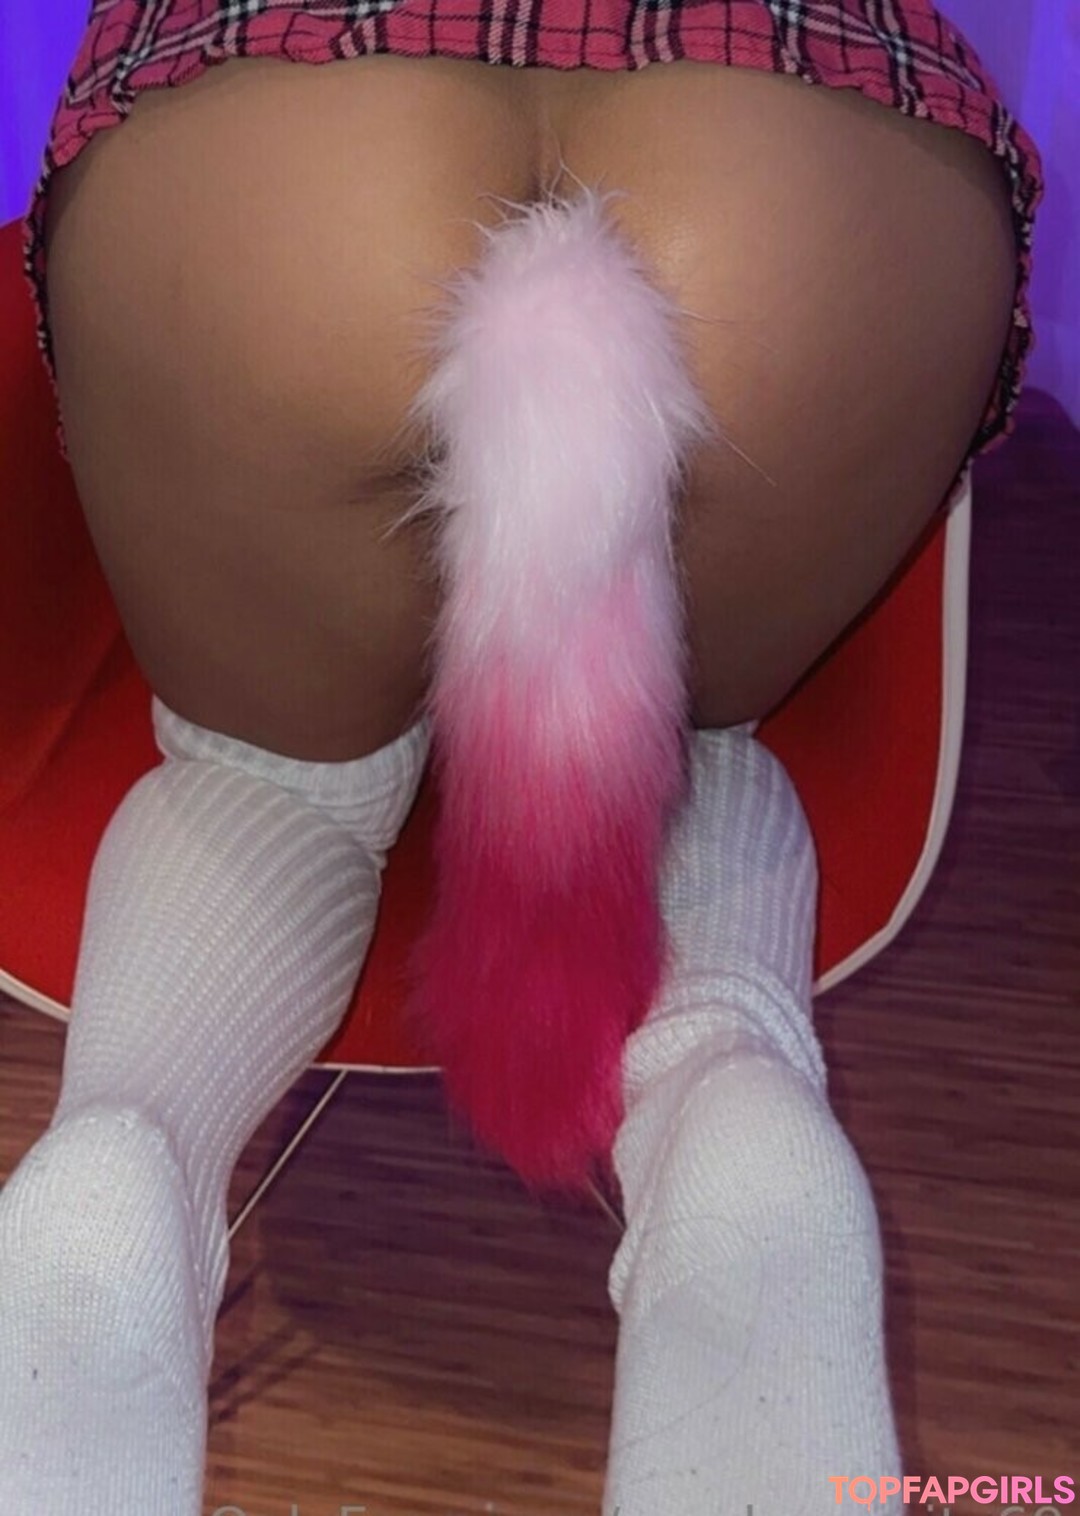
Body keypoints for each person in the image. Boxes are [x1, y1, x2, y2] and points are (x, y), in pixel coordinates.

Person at [0, 2, 1043, 1512]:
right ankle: (739, 1115)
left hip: (288, 141)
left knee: (261, 781)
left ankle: (115, 1168)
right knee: (687, 744)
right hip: (800, 146)